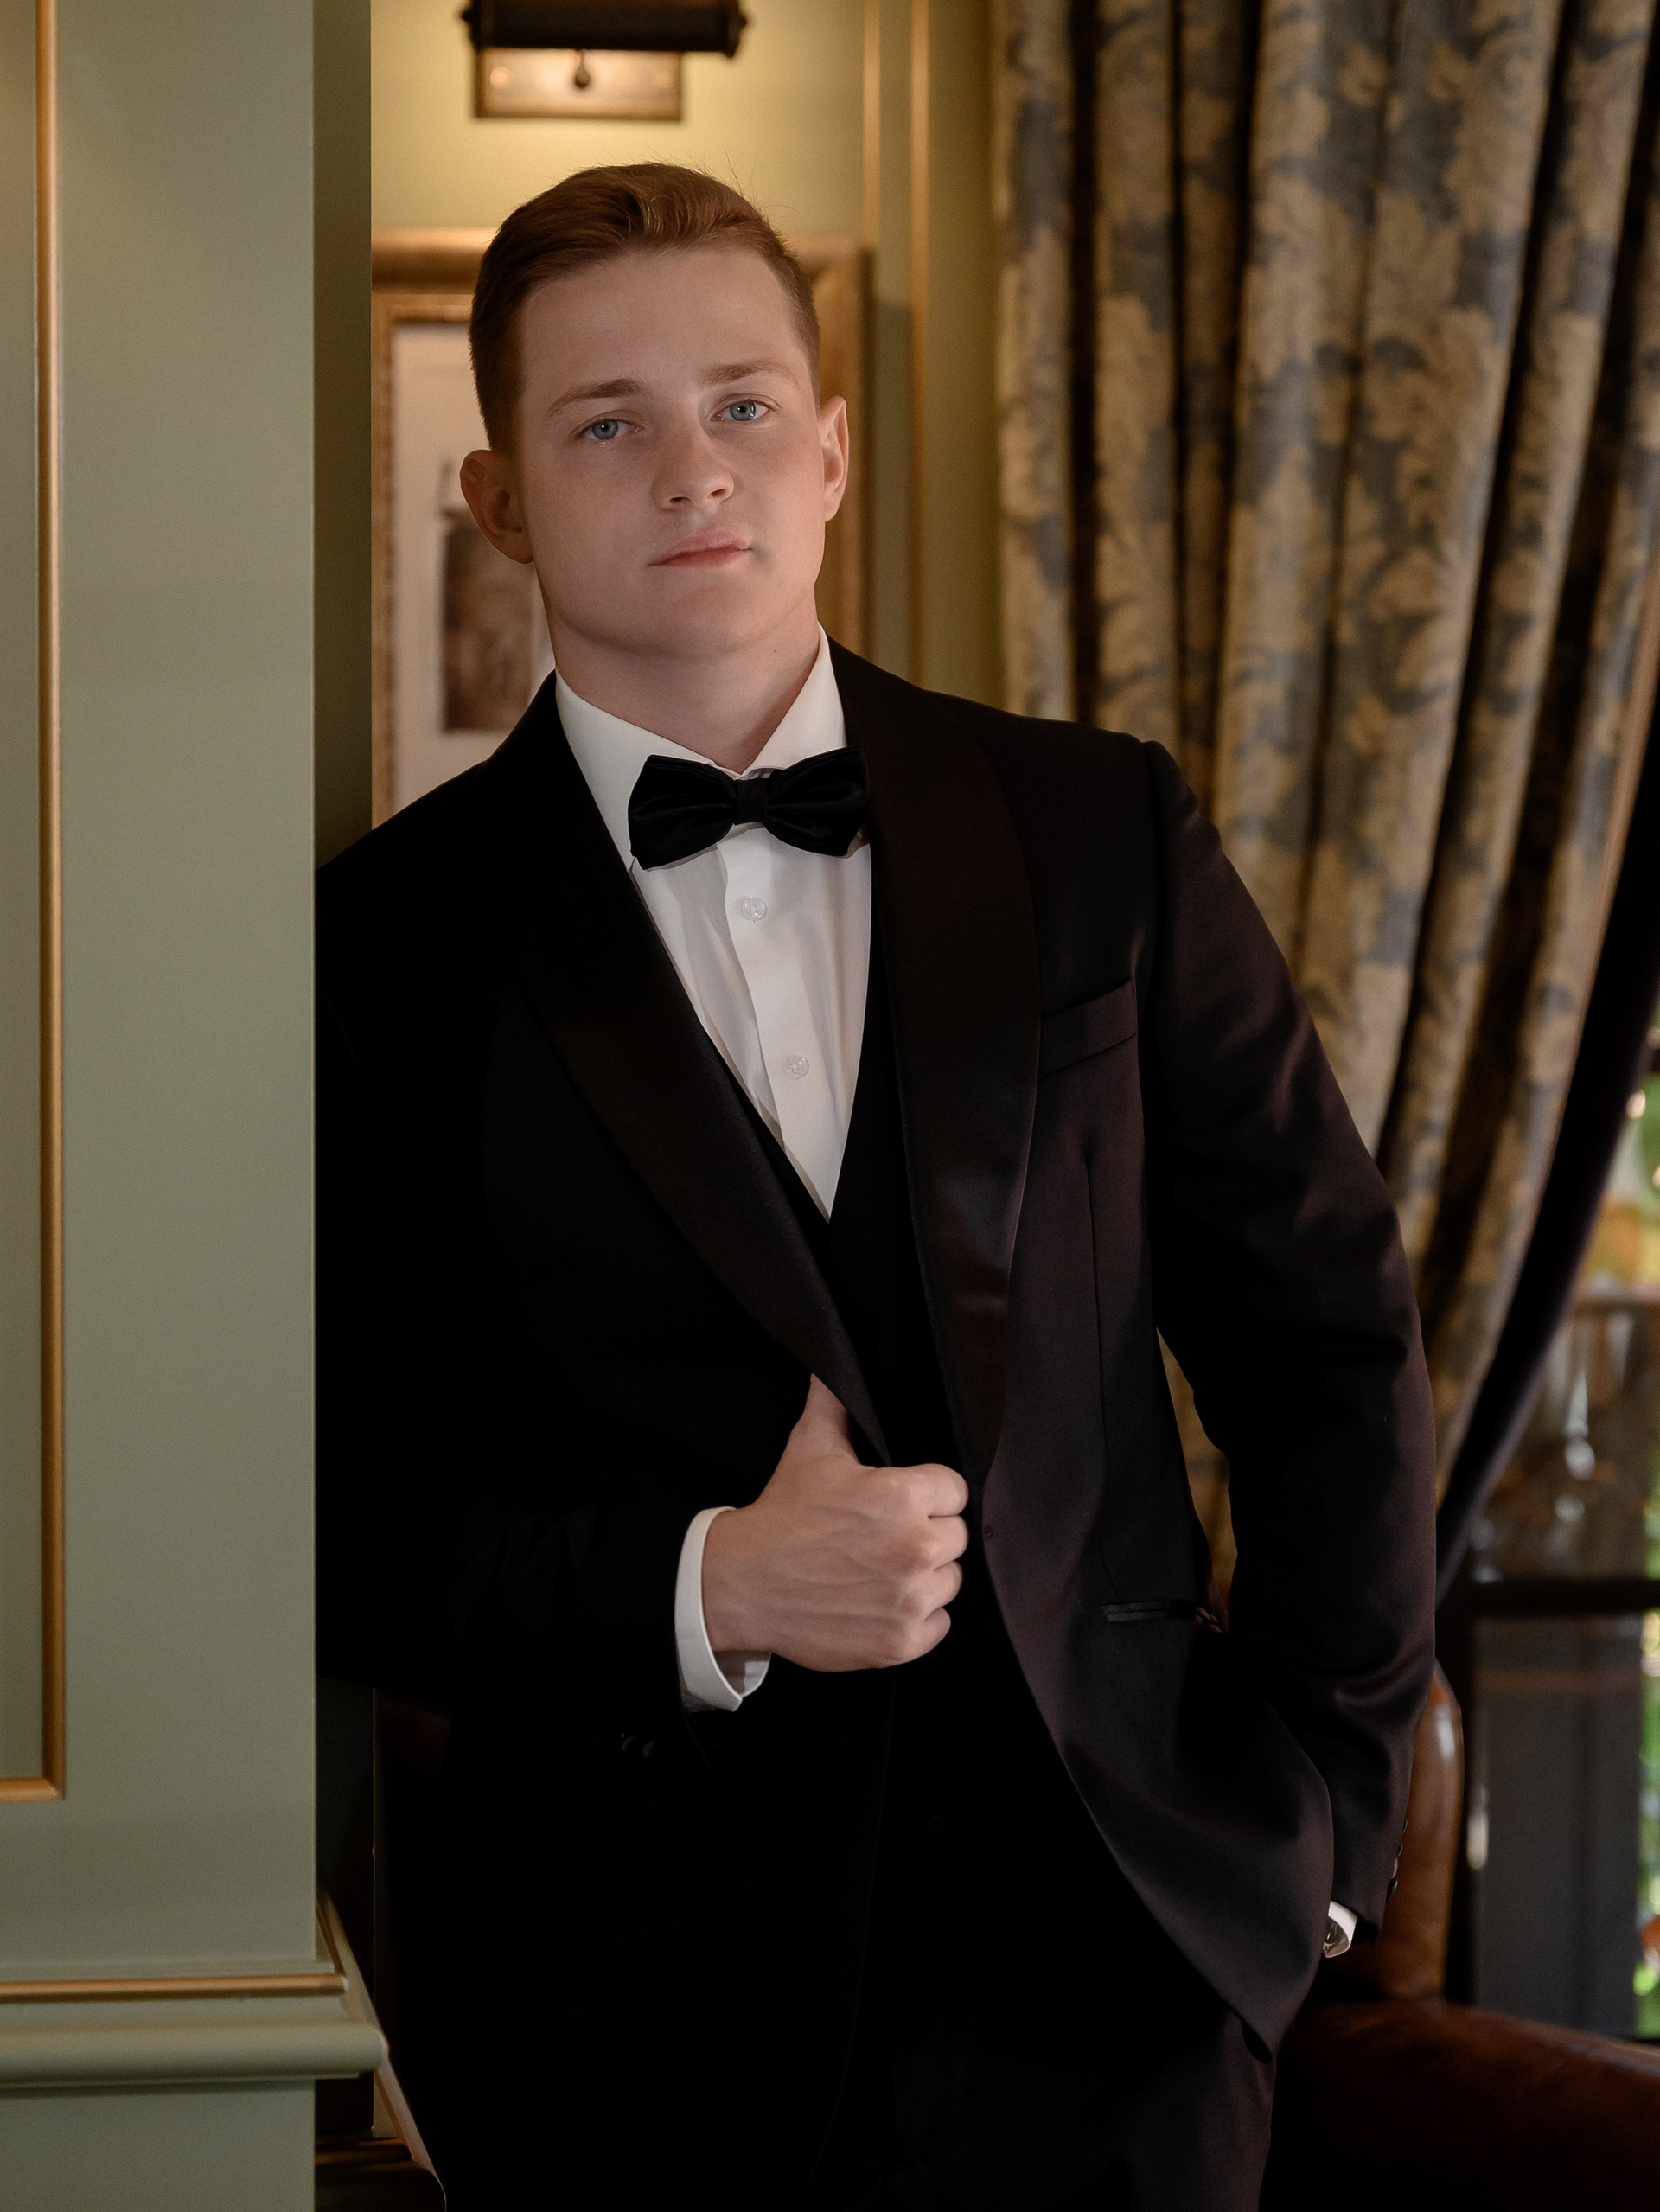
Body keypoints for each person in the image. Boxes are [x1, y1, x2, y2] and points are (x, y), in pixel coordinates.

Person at [316, 163, 1436, 2210]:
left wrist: (1321, 1839)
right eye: (607, 423)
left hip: (1124, 1983)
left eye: (743, 405)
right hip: (622, 2017)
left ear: (830, 451)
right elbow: (333, 1508)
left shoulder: (1101, 829)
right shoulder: (383, 945)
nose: (693, 469)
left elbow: (1328, 1339)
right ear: (500, 500)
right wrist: (708, 1586)